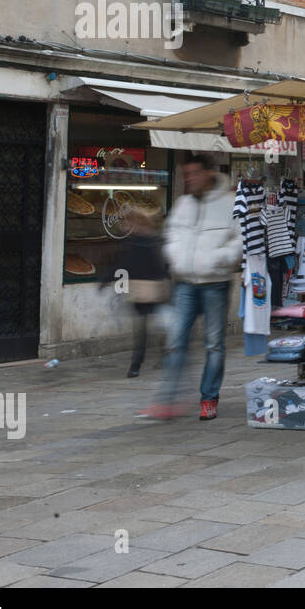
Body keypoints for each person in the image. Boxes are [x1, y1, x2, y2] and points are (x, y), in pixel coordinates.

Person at [143, 155, 242, 421]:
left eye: (194, 174)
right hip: (185, 283)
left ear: (209, 173)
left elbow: (239, 241)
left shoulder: (229, 203)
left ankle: (209, 399)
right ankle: (167, 400)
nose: (190, 180)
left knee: (214, 345)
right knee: (175, 342)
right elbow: (172, 235)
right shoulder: (182, 204)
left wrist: (216, 260)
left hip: (216, 283)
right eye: (186, 175)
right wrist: (175, 256)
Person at [102, 207, 170, 377]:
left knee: (143, 329)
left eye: (128, 221)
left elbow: (122, 264)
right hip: (152, 288)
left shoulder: (136, 242)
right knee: (152, 327)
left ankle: (136, 365)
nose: (125, 224)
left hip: (143, 289)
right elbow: (161, 265)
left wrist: (105, 280)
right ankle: (160, 356)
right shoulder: (154, 240)